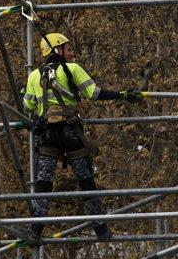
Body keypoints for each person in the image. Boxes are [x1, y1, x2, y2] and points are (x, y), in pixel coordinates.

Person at [23, 32, 143, 243]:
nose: (71, 53)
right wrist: (123, 95)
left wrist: (28, 91)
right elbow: (94, 93)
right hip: (71, 134)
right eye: (68, 49)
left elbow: (28, 105)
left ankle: (35, 231)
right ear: (57, 50)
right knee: (86, 182)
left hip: (48, 136)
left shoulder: (34, 76)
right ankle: (101, 230)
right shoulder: (73, 69)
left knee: (43, 184)